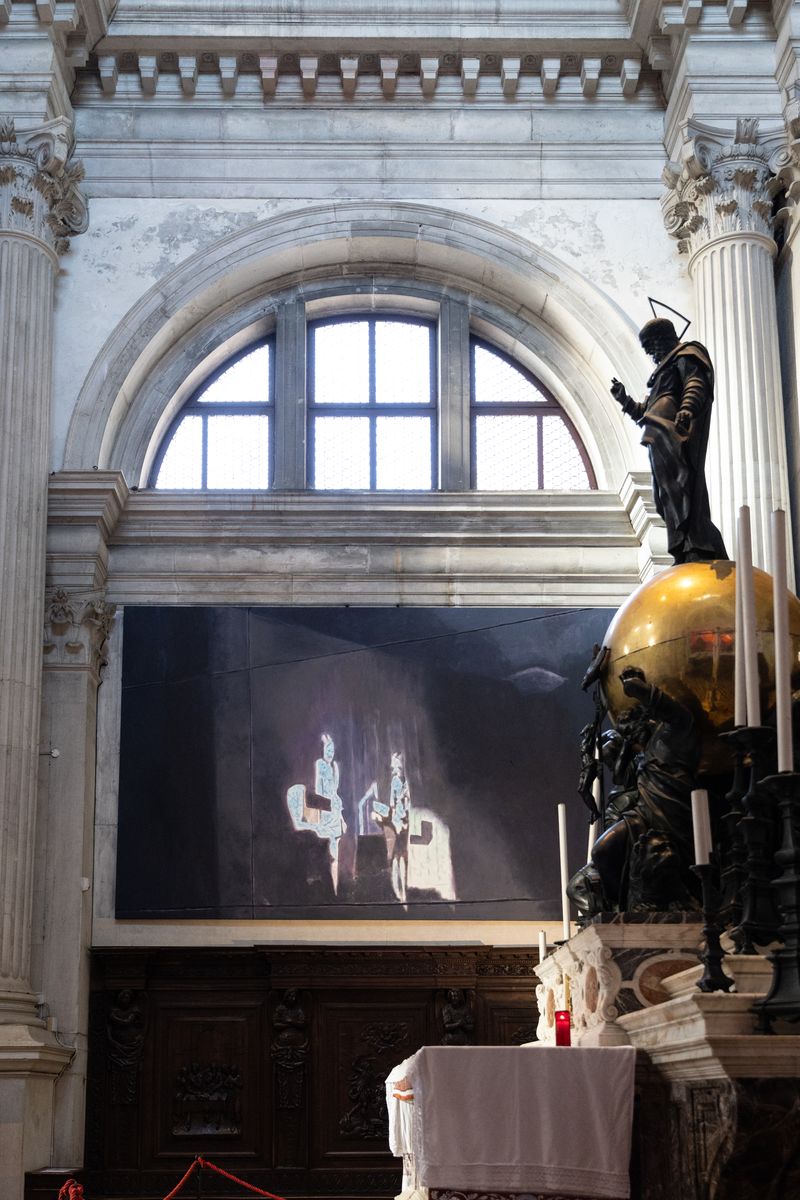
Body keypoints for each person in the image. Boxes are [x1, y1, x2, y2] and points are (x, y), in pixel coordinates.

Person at [610, 318, 727, 564]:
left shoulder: (687, 355)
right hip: (657, 437)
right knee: (665, 497)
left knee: (681, 489)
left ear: (662, 340)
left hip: (674, 435)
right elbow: (646, 411)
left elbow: (695, 383)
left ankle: (697, 544)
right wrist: (625, 400)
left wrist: (686, 409)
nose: (651, 354)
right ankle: (682, 548)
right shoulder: (664, 370)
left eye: (651, 348)